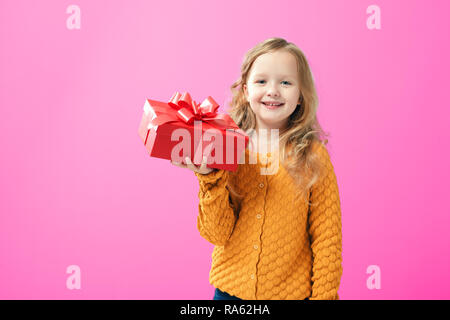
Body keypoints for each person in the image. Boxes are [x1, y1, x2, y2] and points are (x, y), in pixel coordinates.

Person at [171, 37, 343, 300]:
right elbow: (217, 232)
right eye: (261, 81)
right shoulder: (227, 148)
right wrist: (209, 178)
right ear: (245, 91)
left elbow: (327, 239)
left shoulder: (313, 156)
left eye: (285, 82)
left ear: (300, 96)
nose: (273, 90)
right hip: (229, 294)